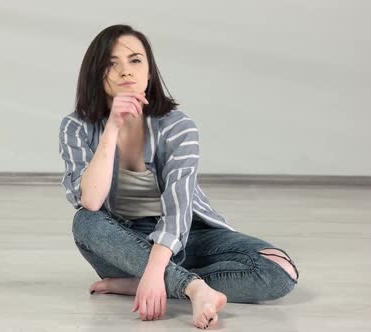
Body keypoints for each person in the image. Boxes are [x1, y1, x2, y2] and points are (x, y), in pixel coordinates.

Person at [58, 24, 299, 329]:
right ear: (96, 73)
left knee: (279, 270)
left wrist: (155, 269)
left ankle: (142, 281)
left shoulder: (178, 126)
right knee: (85, 222)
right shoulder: (75, 127)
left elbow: (179, 209)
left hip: (185, 234)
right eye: (111, 63)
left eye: (135, 60)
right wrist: (113, 127)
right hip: (121, 241)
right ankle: (192, 288)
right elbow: (90, 200)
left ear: (149, 72)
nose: (124, 72)